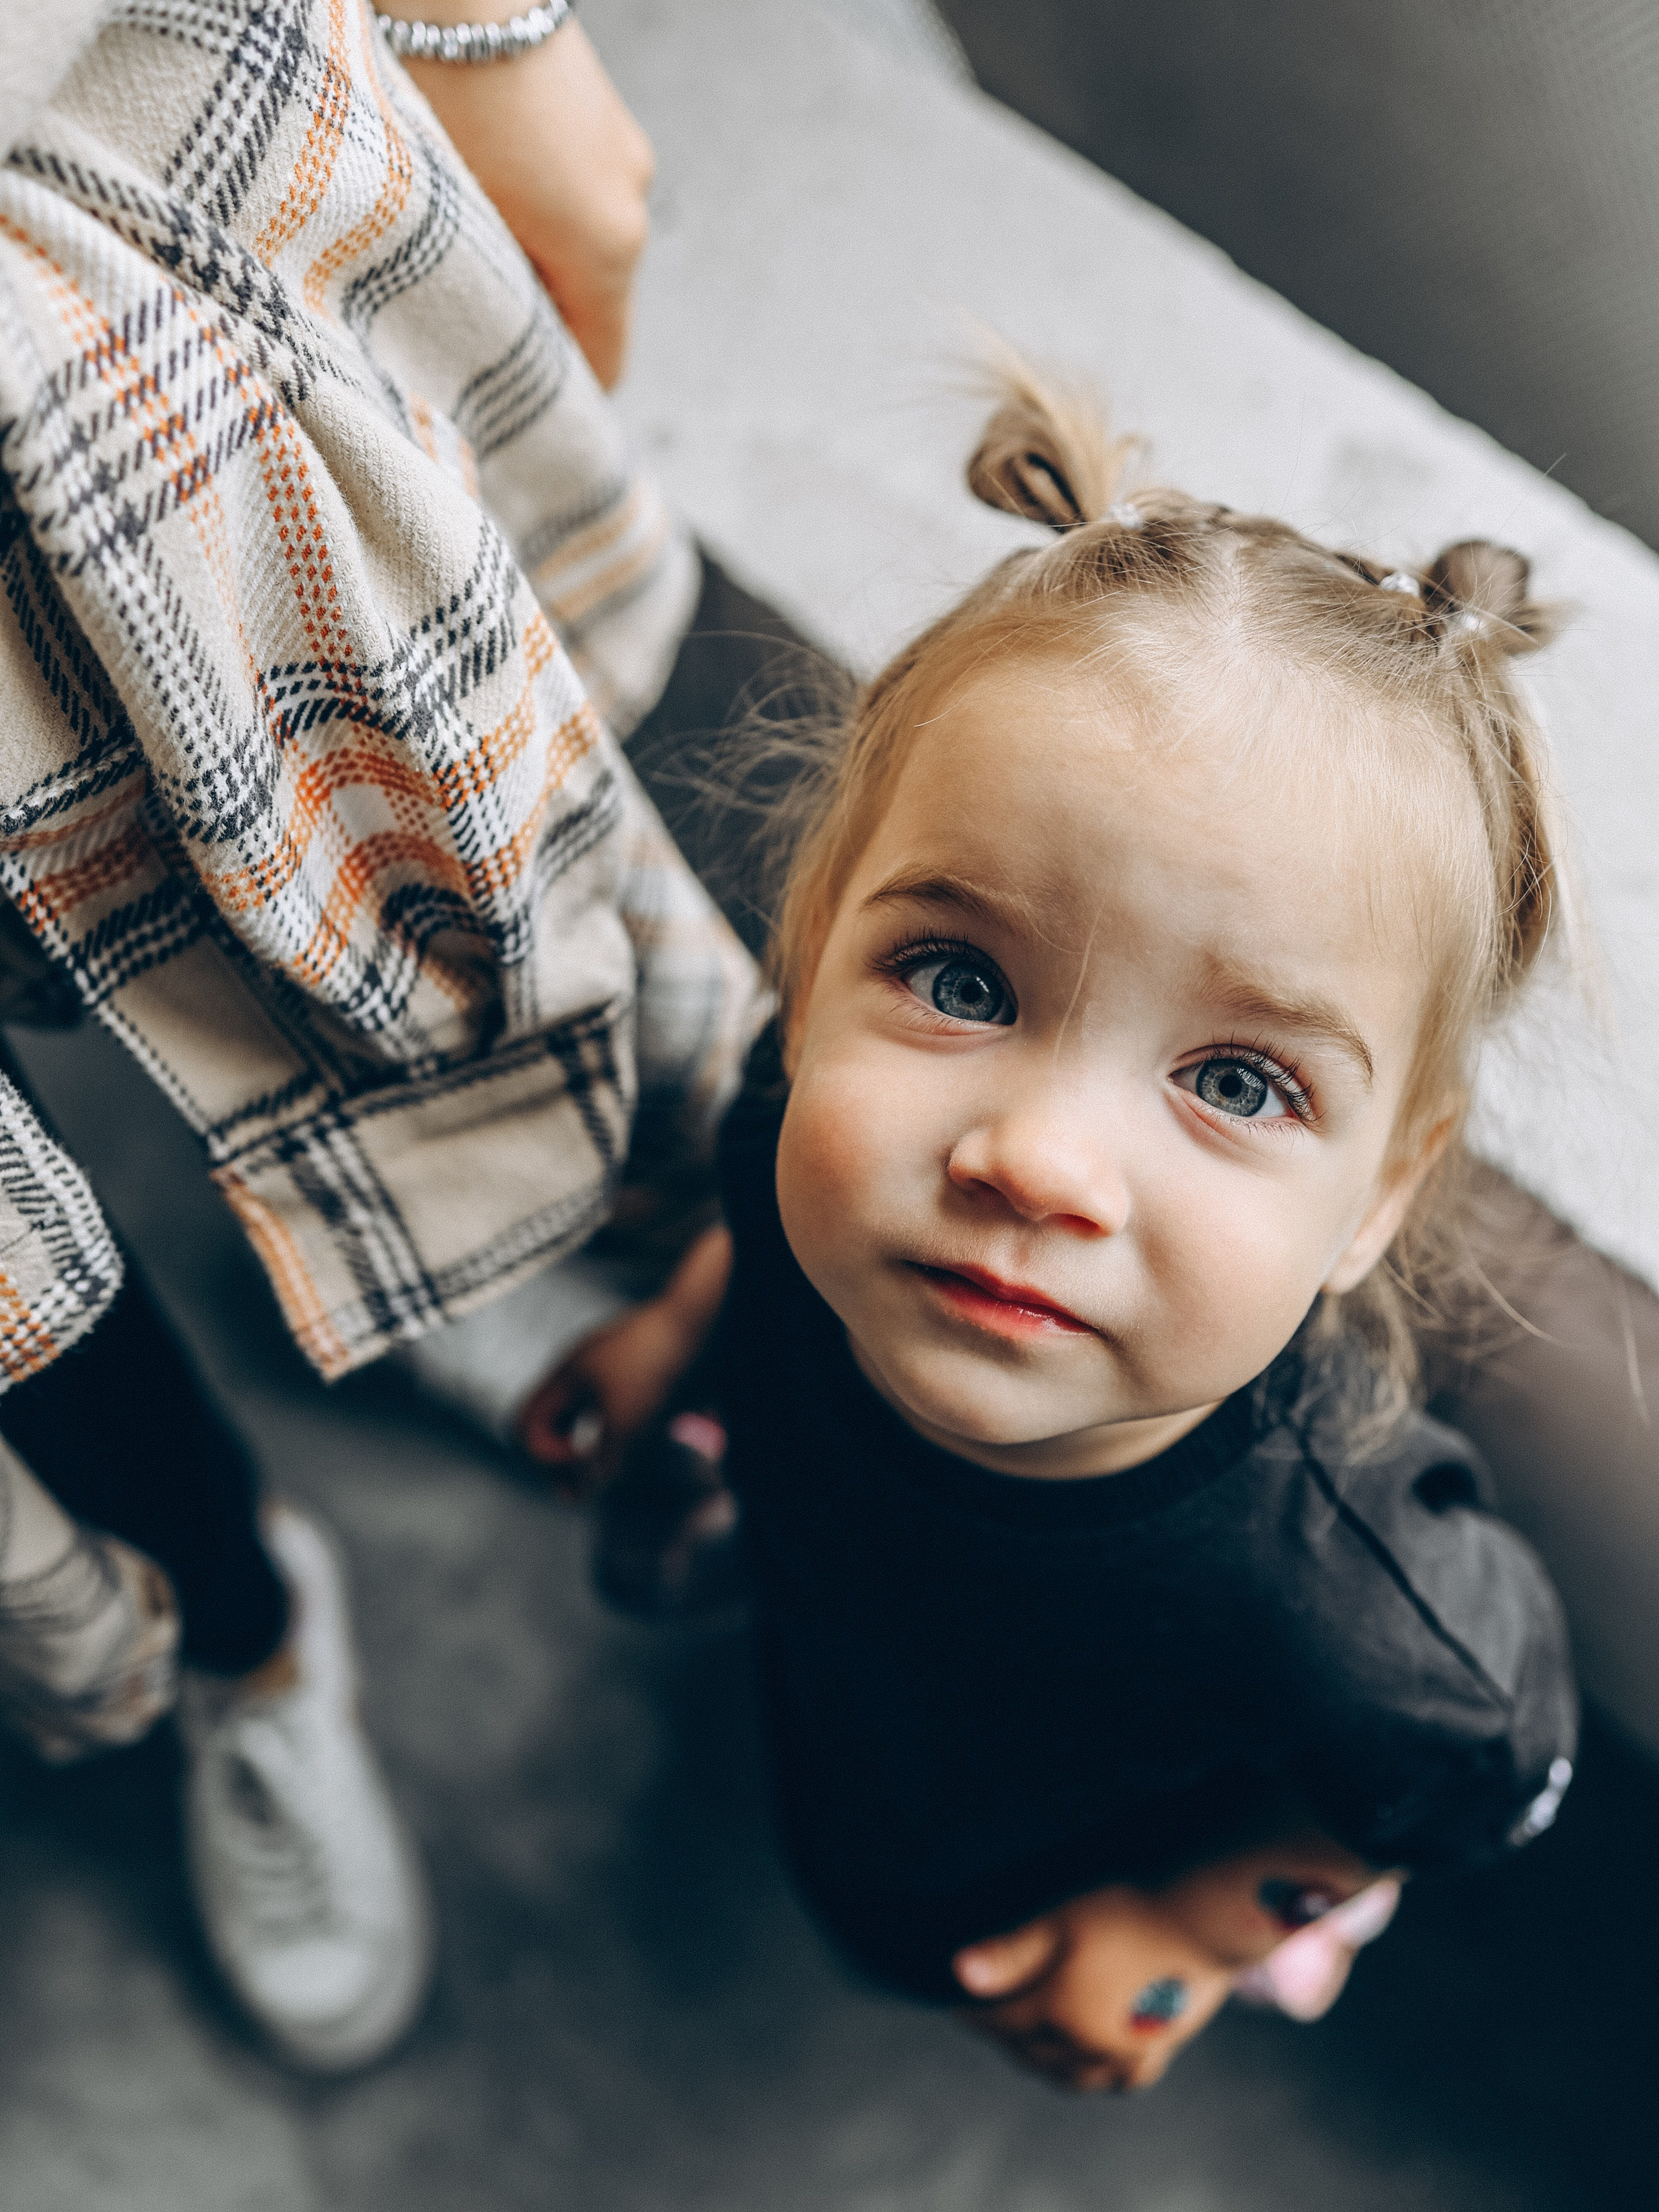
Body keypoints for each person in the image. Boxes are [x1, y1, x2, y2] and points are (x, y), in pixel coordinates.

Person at [611, 372, 1584, 2093]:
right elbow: (758, 1213)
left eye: (1236, 1081)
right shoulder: (805, 1114)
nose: (1038, 1161)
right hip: (835, 1659)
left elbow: (1486, 1762)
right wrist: (674, 1328)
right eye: (962, 981)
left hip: (1025, 1864)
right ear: (820, 957)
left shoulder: (1341, 1598)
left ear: (1378, 1196)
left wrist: (1195, 1930)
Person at [0, 0, 761, 2073]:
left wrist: (471, 23)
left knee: (403, 884)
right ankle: (244, 1631)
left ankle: (493, 1257)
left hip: (96, 239)